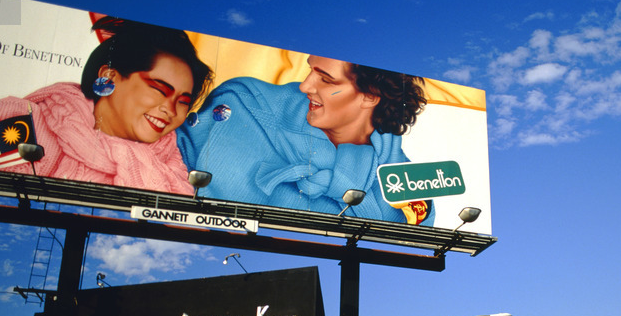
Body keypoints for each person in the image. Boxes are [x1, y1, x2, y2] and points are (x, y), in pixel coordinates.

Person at [0, 17, 213, 195]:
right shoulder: (28, 128)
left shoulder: (173, 167)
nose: (170, 109)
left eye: (182, 102)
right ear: (109, 76)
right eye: (159, 89)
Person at [177, 55, 433, 224]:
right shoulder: (246, 105)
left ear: (370, 97)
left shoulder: (406, 181)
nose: (305, 86)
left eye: (326, 79)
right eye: (311, 70)